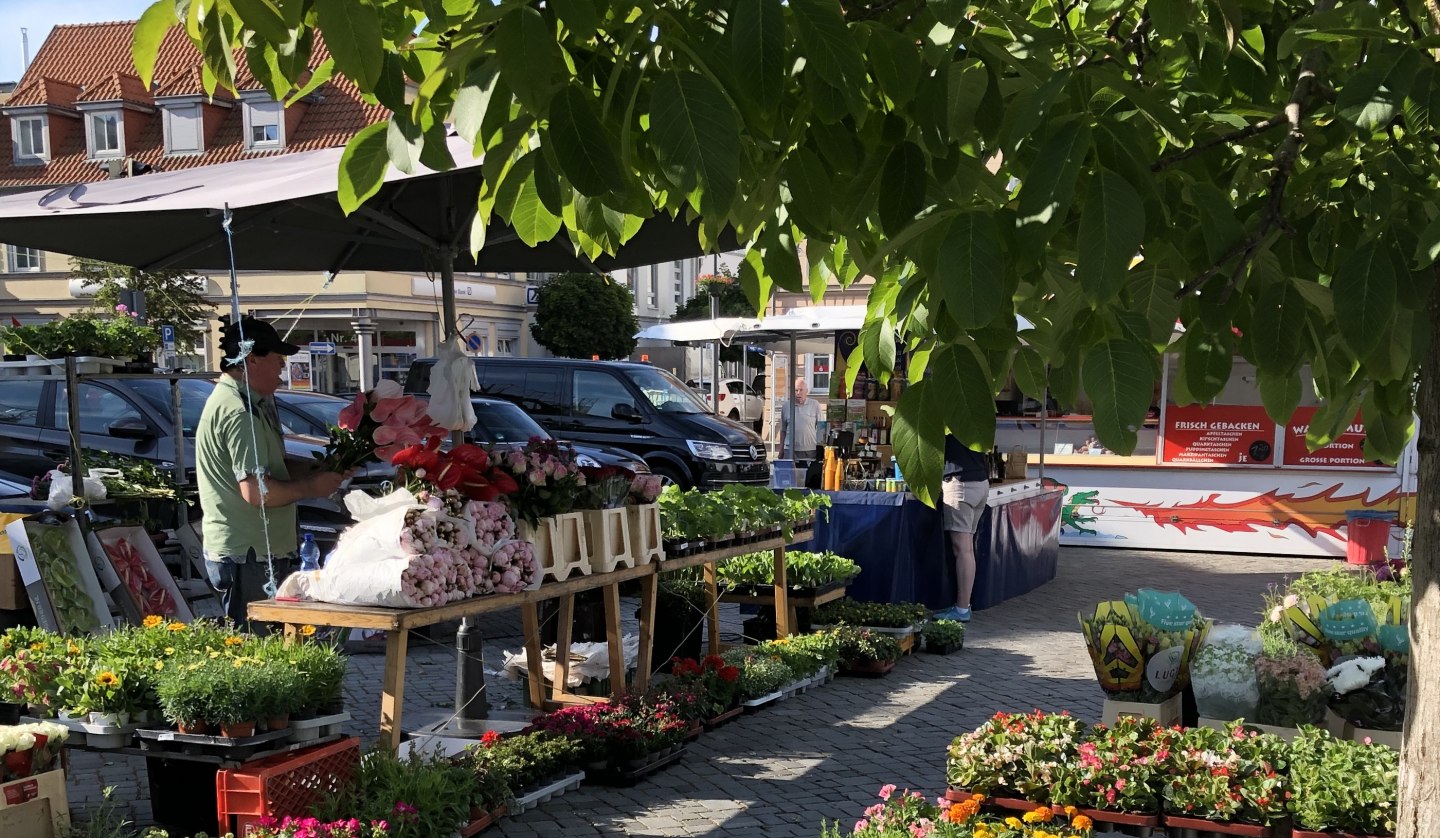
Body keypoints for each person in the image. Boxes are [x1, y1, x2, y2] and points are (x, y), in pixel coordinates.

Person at [196, 316, 347, 629]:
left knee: (267, 650)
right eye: (278, 360)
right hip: (247, 554)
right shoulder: (238, 412)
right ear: (251, 359)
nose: (282, 369)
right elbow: (256, 491)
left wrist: (323, 468)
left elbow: (270, 466)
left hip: (259, 551)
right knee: (254, 654)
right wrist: (312, 487)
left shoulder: (253, 403)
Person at [935, 435, 990, 622]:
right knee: (967, 549)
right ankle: (964, 604)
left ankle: (961, 608)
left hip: (960, 485)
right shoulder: (971, 417)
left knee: (962, 550)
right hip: (980, 482)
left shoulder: (946, 420)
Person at [780, 377, 824, 469]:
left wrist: (821, 449)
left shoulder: (815, 405)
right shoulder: (786, 406)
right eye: (796, 390)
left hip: (809, 450)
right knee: (790, 477)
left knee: (807, 478)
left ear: (806, 391)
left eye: (801, 390)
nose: (798, 393)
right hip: (790, 449)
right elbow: (783, 430)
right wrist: (781, 450)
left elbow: (821, 428)